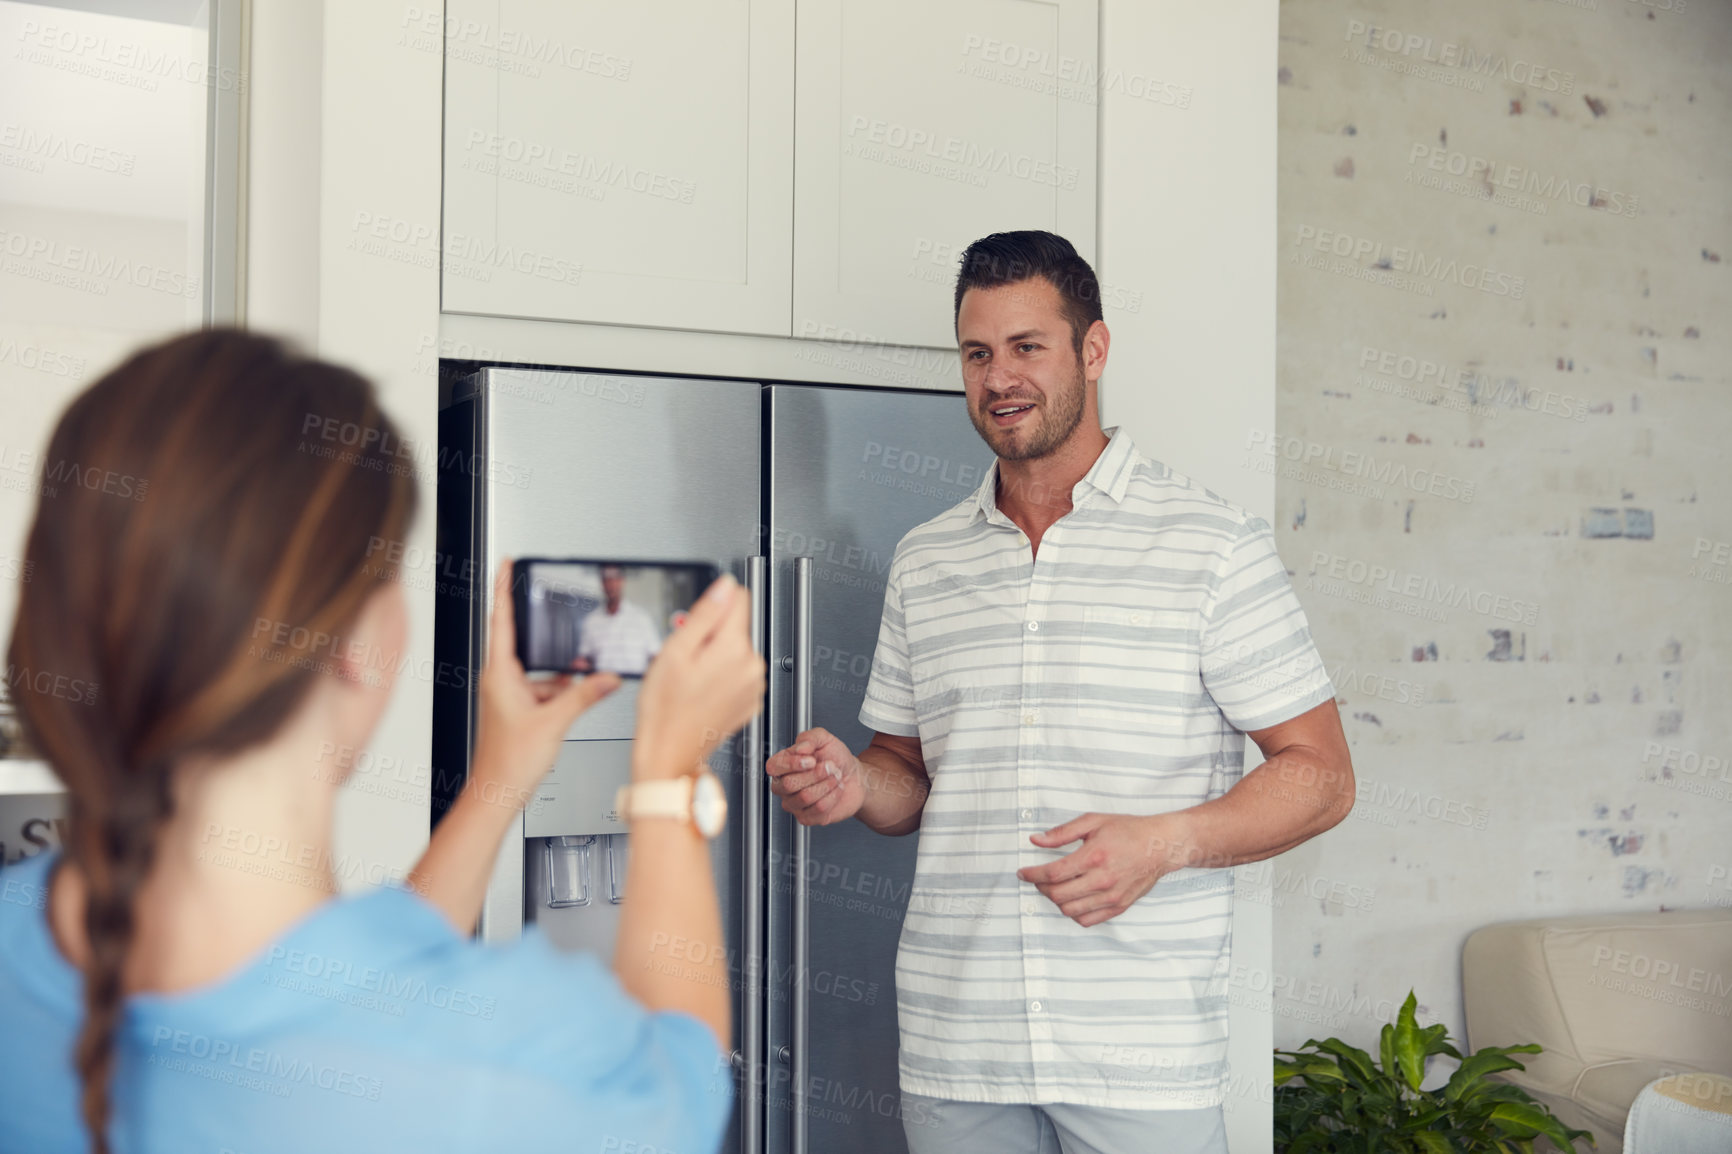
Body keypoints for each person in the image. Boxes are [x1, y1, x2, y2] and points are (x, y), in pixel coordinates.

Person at [0, 330, 764, 1154]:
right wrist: (667, 779)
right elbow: (682, 1081)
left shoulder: (22, 932)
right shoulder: (507, 1058)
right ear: (354, 645)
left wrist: (502, 776)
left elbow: (347, 982)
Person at [764, 231, 1356, 1154]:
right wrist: (854, 785)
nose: (999, 377)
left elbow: (1321, 775)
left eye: (1027, 347)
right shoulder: (927, 559)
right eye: (977, 353)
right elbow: (907, 780)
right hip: (957, 1042)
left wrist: (1165, 843)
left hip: (1140, 1051)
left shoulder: (1211, 546)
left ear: (1093, 350)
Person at [573, 565, 664, 675]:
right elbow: (585, 658)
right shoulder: (591, 620)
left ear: (622, 580)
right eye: (606, 578)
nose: (611, 583)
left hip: (635, 689)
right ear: (601, 583)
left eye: (615, 577)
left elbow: (656, 658)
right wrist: (579, 664)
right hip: (602, 688)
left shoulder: (642, 618)